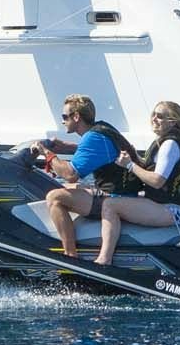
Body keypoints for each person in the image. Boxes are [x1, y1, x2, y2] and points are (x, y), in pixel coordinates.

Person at [96, 101, 180, 266]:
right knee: (115, 197)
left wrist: (130, 165)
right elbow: (153, 170)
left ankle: (104, 259)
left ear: (172, 122)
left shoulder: (170, 144)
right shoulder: (165, 142)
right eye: (153, 114)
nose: (154, 119)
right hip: (164, 206)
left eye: (160, 116)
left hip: (169, 210)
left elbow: (157, 180)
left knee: (110, 205)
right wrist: (134, 158)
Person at [33, 94, 137, 258]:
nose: (62, 121)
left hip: (117, 198)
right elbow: (95, 152)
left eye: (65, 117)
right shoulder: (102, 129)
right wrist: (65, 147)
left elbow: (70, 174)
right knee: (63, 188)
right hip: (120, 192)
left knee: (55, 197)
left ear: (76, 117)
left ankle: (70, 256)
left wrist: (46, 153)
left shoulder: (93, 138)